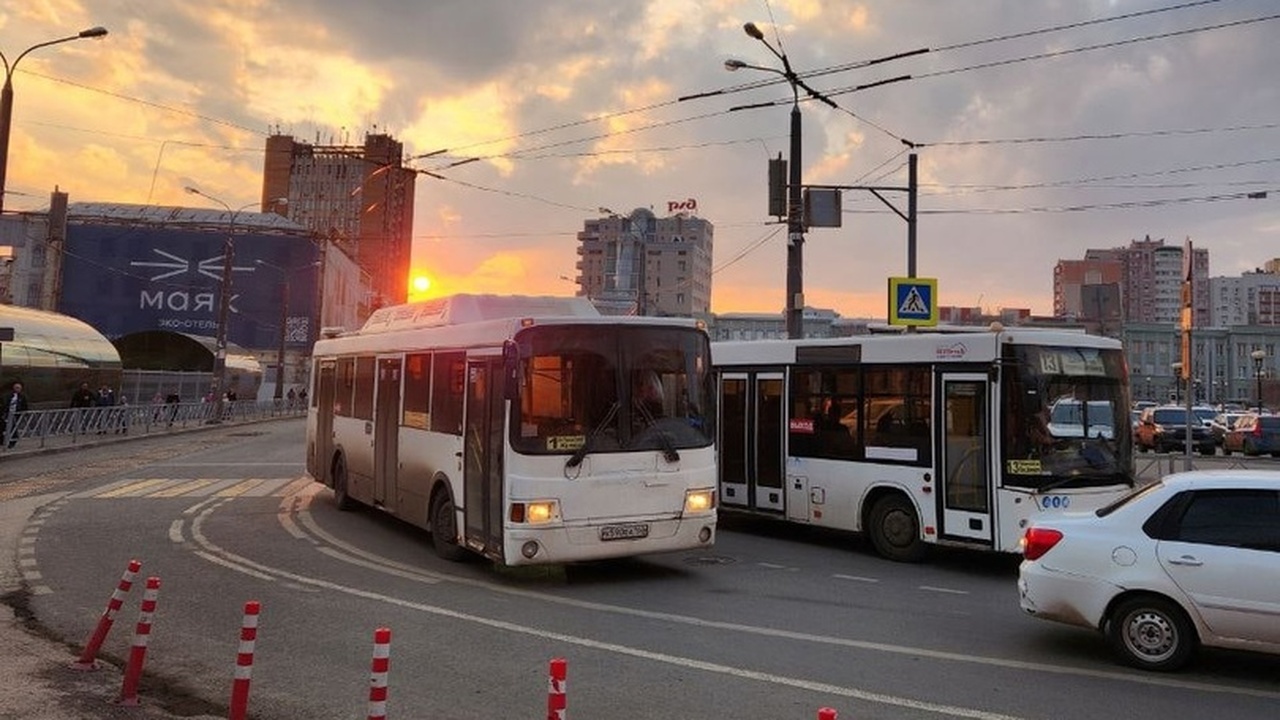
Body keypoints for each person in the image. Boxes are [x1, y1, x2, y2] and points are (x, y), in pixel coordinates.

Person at [2, 381, 30, 449]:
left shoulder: (22, 396)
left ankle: (12, 442)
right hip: (7, 413)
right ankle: (4, 441)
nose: (18, 389)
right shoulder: (8, 395)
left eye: (19, 388)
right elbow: (5, 404)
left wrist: (25, 413)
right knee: (4, 427)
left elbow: (24, 405)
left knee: (13, 428)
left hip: (16, 414)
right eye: (17, 388)